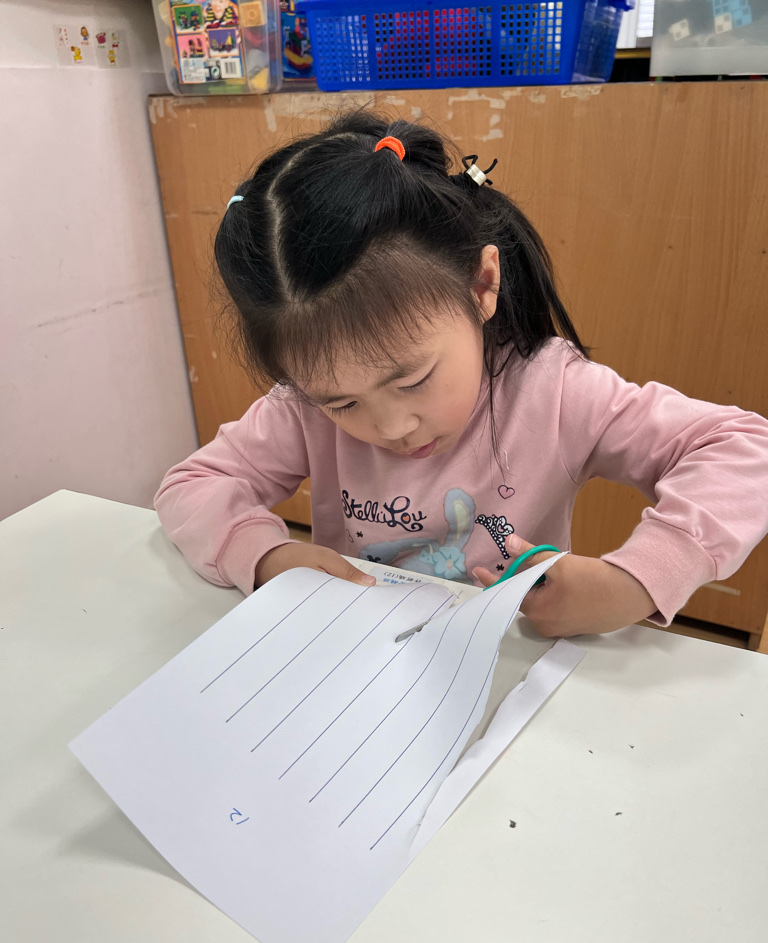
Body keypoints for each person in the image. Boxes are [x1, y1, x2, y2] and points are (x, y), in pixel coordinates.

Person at [155, 111, 768, 638]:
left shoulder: (552, 391)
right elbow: (193, 485)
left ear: (482, 285)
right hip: (361, 660)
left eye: (412, 380)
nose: (392, 426)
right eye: (342, 404)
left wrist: (638, 578)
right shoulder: (303, 408)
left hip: (509, 660)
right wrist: (265, 556)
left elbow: (744, 450)